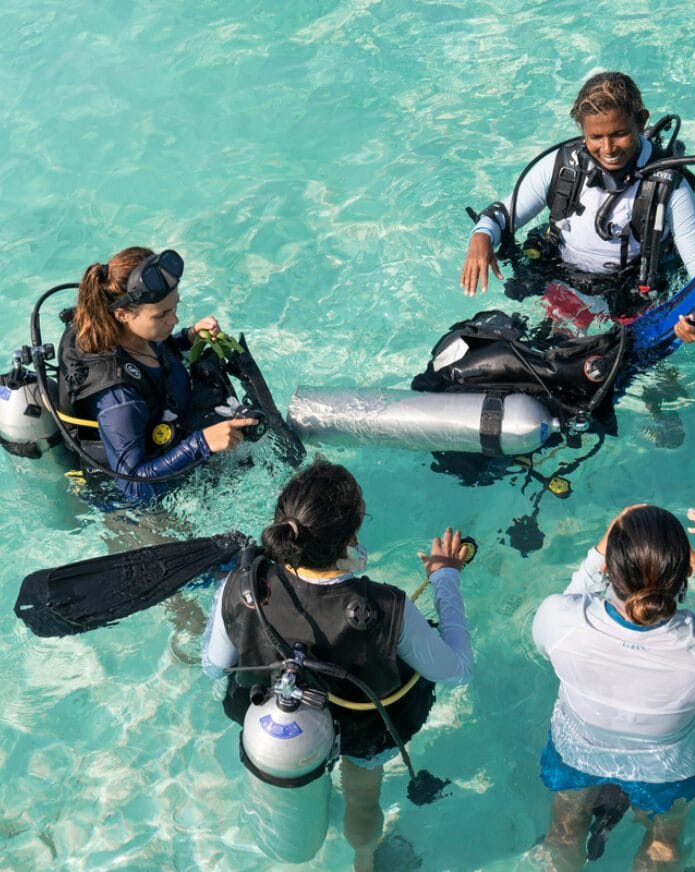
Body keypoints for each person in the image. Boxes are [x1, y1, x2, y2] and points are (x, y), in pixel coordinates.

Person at [202, 459, 473, 871]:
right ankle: (363, 859)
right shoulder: (388, 608)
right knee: (363, 799)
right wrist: (445, 578)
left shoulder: (241, 588)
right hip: (363, 736)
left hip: (278, 730)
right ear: (353, 536)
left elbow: (214, 667)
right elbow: (457, 671)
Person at [531, 505, 695, 871]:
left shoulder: (558, 620)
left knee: (563, 833)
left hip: (579, 752)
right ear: (685, 577)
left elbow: (567, 608)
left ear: (609, 570)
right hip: (668, 768)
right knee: (664, 840)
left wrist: (597, 555)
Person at [461, 72, 695, 343]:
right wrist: (481, 236)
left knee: (644, 366)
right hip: (568, 277)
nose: (608, 148)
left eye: (619, 133)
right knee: (547, 345)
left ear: (641, 120)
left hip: (634, 289)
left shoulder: (670, 189)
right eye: (595, 136)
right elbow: (501, 215)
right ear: (582, 129)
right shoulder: (562, 167)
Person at [58, 246, 258, 503]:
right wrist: (202, 444)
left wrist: (187, 338)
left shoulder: (127, 331)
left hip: (171, 430)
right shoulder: (118, 399)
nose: (173, 319)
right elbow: (134, 488)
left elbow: (152, 356)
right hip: (133, 508)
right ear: (122, 315)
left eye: (174, 307)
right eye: (162, 314)